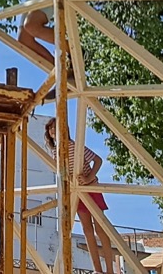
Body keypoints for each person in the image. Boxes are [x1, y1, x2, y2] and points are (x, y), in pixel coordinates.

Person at [44, 117, 116, 274]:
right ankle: (98, 270)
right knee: (87, 229)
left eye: (55, 127)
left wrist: (89, 178)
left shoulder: (74, 146)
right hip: (75, 191)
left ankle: (110, 270)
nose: (52, 131)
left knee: (100, 228)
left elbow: (97, 160)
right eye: (50, 129)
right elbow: (61, 174)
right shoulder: (55, 154)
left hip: (90, 187)